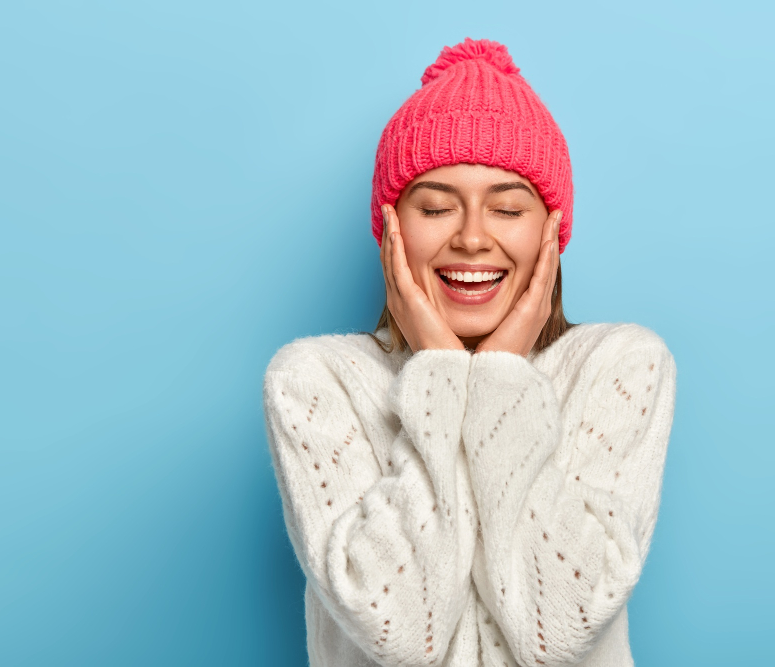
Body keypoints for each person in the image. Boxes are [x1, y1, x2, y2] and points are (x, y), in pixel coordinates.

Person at [262, 38, 676, 667]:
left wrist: (500, 376)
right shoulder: (315, 380)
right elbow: (401, 631)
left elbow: (559, 632)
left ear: (550, 232)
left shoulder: (620, 366)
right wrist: (443, 371)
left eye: (508, 207)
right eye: (435, 207)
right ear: (390, 227)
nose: (474, 237)